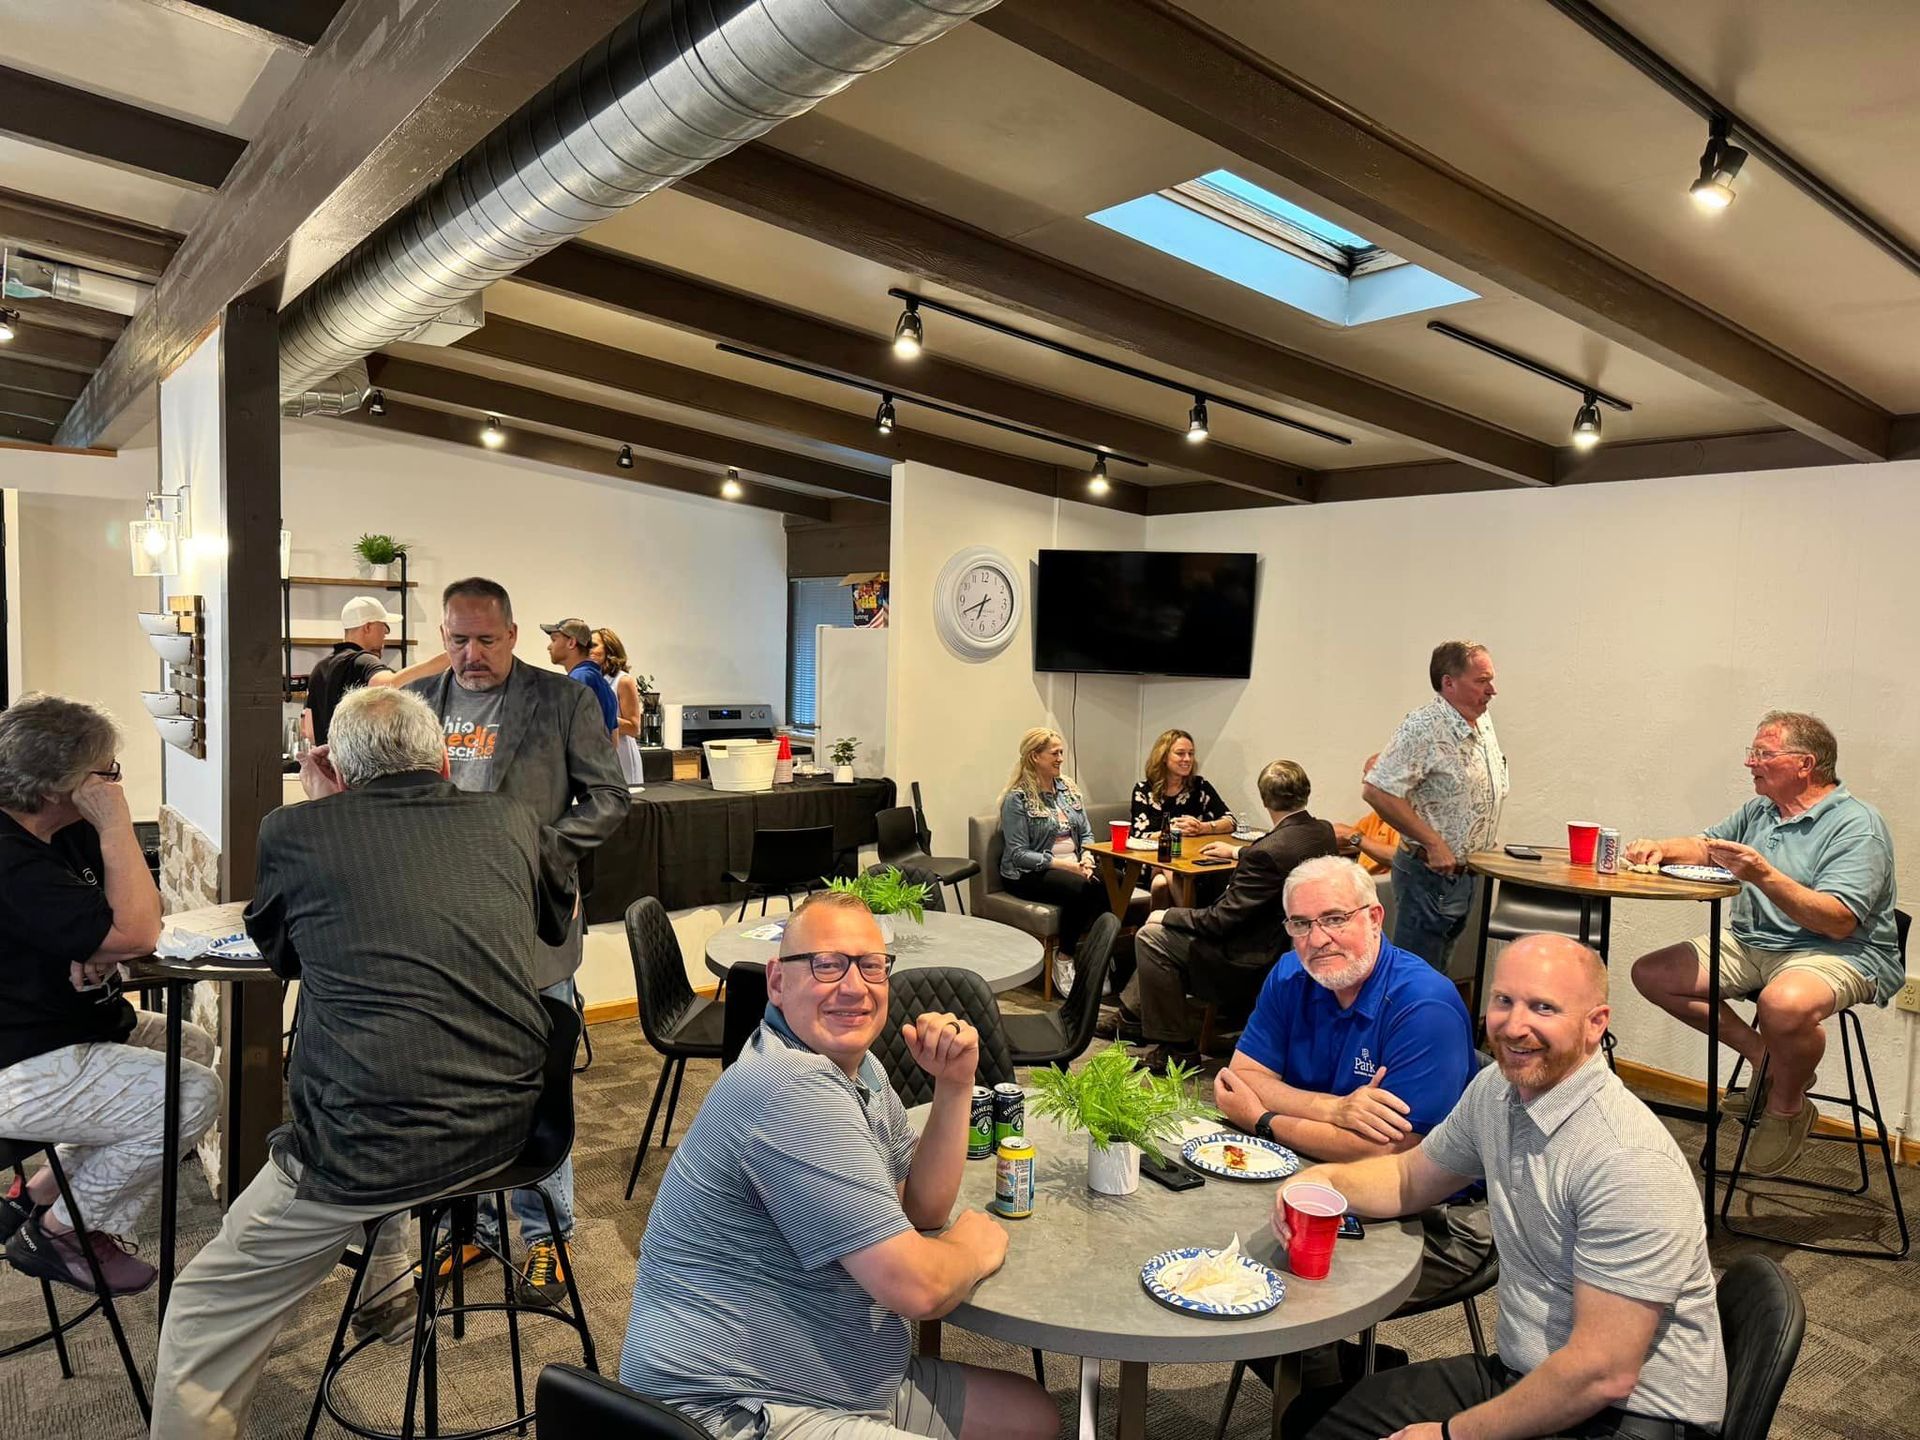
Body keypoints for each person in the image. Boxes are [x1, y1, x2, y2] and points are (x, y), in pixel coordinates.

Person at [150, 687, 572, 1438]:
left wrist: (319, 806)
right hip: (516, 1122)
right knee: (384, 1073)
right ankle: (385, 1287)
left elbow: (282, 956)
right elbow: (550, 920)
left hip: (370, 1146)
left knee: (200, 1308)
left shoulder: (292, 831)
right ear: (443, 756)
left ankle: (377, 1279)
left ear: (336, 767)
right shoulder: (514, 818)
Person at [618, 890, 1058, 1440]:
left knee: (1034, 1417)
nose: (853, 987)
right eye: (826, 965)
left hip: (836, 1378)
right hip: (730, 1407)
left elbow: (921, 1206)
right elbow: (917, 1290)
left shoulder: (858, 1067)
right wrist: (972, 1246)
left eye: (871, 966)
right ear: (778, 981)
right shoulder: (786, 1086)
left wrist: (954, 1084)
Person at [1279, 934, 1726, 1440]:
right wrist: (1319, 1180)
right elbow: (1409, 1177)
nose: (1516, 1027)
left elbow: (1603, 1371)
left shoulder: (1626, 1161)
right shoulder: (1498, 1090)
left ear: (1594, 1025)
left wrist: (1449, 1435)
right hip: (1536, 1373)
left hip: (1632, 1415)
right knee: (1311, 1423)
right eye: (1504, 1001)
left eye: (1544, 1008)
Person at [409, 578, 628, 1304]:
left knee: (541, 1083)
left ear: (511, 635)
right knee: (455, 1084)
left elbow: (608, 798)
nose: (471, 654)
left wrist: (543, 852)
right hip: (446, 931)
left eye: (486, 639)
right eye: (457, 639)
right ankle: (468, 1226)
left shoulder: (561, 699)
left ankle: (546, 1236)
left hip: (532, 924)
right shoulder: (423, 706)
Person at [0, 694, 220, 1295]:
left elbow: (111, 920)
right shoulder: (12, 857)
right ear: (55, 785)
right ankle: (62, 1230)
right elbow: (138, 930)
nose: (115, 783)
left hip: (63, 1024)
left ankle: (39, 1193)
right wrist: (118, 824)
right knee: (190, 1095)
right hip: (17, 1061)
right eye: (106, 773)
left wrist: (87, 943)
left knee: (191, 1046)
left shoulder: (58, 830)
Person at [1212, 855, 1486, 1320]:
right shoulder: (1290, 974)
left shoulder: (1424, 1006)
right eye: (1301, 924)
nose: (1318, 939)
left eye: (1335, 919)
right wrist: (1334, 1111)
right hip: (1309, 1171)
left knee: (1278, 1292)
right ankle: (1331, 1378)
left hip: (1426, 1212)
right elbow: (1242, 1078)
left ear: (1375, 917)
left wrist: (1264, 1118)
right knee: (1216, 1249)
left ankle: (1334, 1384)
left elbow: (1387, 1153)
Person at [1627, 710, 1900, 1176]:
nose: (1750, 763)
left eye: (1763, 754)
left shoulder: (1857, 825)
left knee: (1785, 1004)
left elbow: (1837, 921)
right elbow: (1708, 845)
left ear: (1805, 764)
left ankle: (1786, 1107)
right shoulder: (1761, 810)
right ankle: (1765, 1058)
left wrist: (1764, 875)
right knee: (1651, 974)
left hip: (1838, 951)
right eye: (1751, 753)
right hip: (1752, 942)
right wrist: (1662, 846)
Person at [1116, 760, 1338, 1072]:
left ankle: (1176, 1047)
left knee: (1151, 937)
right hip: (1289, 943)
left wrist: (1166, 915)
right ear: (1306, 792)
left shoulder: (1267, 852)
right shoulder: (1321, 832)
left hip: (1248, 955)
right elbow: (1280, 853)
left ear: (1264, 798)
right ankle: (1130, 1013)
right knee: (1165, 928)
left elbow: (1219, 921)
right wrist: (1236, 852)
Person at [1364, 641, 1509, 972]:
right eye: (1482, 681)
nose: (1492, 690)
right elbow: (1376, 790)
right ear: (1449, 683)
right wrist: (1433, 843)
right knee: (1415, 982)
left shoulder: (1481, 721)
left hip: (1468, 876)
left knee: (1439, 977)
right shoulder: (1423, 727)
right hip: (1428, 878)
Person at [998, 726, 1107, 994]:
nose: (1060, 758)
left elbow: (1087, 832)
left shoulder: (1068, 789)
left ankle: (1097, 959)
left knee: (1111, 883)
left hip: (1075, 865)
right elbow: (1018, 854)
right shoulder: (1017, 798)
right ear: (1035, 756)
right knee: (1081, 889)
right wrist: (1067, 865)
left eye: (1061, 752)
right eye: (1054, 753)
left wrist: (1088, 857)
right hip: (1027, 874)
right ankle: (1065, 958)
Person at [299, 594, 449, 744]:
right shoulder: (362, 660)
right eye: (384, 627)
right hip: (357, 762)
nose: (385, 635)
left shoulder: (319, 668)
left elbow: (308, 730)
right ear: (368, 627)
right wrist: (451, 656)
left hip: (326, 762)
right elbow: (389, 685)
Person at [1129, 728, 1235, 906]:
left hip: (1192, 861)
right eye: (1180, 753)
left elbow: (1231, 821)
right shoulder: (1143, 790)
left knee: (1160, 884)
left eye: (1191, 754)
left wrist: (1203, 828)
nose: (1187, 759)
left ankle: (1159, 930)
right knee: (1169, 865)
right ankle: (1191, 923)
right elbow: (1140, 835)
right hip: (1152, 860)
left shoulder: (1200, 786)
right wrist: (1171, 831)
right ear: (1163, 757)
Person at [543, 616, 619, 738]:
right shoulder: (601, 683)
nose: (549, 647)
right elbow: (614, 738)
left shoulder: (578, 680)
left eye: (554, 640)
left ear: (571, 643)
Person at [592, 626, 647, 786]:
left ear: (609, 649)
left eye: (594, 645)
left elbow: (633, 727)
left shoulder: (622, 681)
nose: (589, 650)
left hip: (621, 755)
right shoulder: (592, 679)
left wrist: (599, 717)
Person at [1332, 753, 1399, 875]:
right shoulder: (1376, 817)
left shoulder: (1408, 816)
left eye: (1368, 775)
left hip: (1388, 887)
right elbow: (1348, 840)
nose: (1363, 780)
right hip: (1366, 882)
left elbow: (1400, 859)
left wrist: (1352, 836)